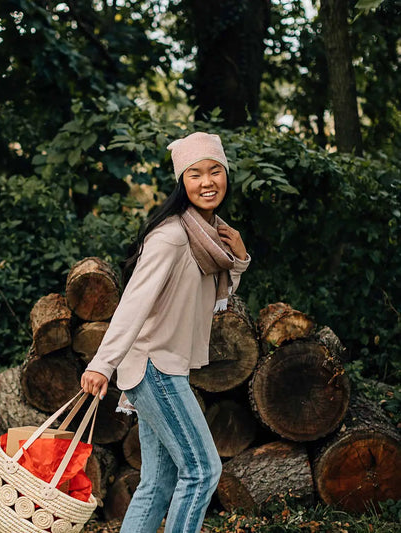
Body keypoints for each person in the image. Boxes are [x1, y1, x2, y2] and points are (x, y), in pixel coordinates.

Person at [80, 131, 251, 533]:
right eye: (195, 174)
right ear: (182, 181)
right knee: (202, 471)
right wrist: (102, 364)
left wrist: (239, 259)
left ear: (226, 175)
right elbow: (133, 304)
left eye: (215, 171)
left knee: (159, 481)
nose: (207, 182)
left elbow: (213, 297)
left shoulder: (208, 236)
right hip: (154, 368)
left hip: (165, 369)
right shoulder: (172, 236)